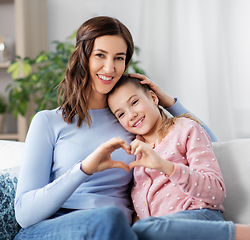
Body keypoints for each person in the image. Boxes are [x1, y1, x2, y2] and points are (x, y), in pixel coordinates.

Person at [13, 16, 217, 239]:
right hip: (55, 227)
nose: (109, 68)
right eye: (100, 55)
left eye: (118, 58)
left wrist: (167, 101)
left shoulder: (130, 121)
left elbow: (211, 143)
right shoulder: (48, 121)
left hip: (118, 230)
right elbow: (24, 214)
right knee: (109, 217)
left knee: (119, 222)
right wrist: (84, 169)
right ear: (83, 57)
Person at [107, 75, 250, 240]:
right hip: (164, 232)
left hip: (199, 217)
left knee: (144, 229)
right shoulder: (133, 152)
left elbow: (216, 192)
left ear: (153, 97)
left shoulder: (185, 129)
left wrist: (166, 167)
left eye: (134, 102)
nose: (131, 115)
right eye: (121, 114)